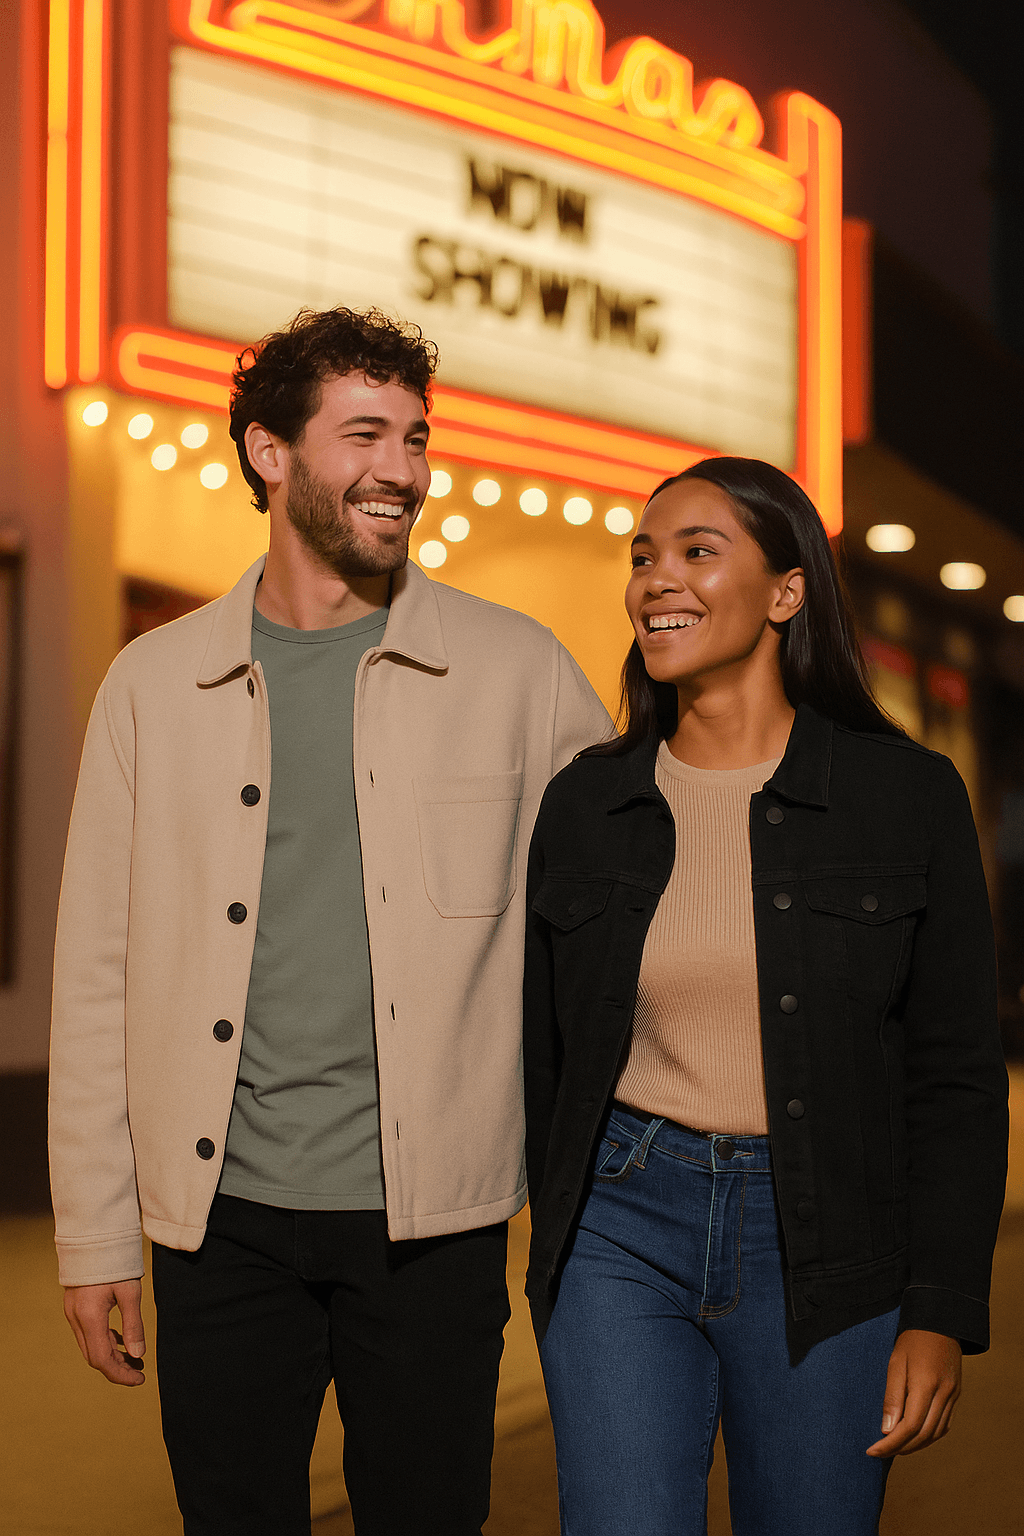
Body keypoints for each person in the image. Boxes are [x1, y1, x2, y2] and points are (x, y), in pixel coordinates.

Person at [49, 305, 611, 1536]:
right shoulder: (153, 683)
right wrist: (95, 1236)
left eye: (417, 436)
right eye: (366, 434)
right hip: (218, 1228)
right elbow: (97, 971)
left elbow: (626, 913)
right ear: (268, 451)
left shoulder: (520, 672)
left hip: (436, 1226)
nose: (404, 468)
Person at [523, 456, 1009, 1536]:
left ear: (786, 592)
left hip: (829, 1237)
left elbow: (956, 1080)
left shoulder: (905, 797)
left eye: (699, 551)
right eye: (643, 556)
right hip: (621, 1220)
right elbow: (542, 1049)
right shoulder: (586, 802)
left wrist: (939, 1308)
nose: (658, 579)